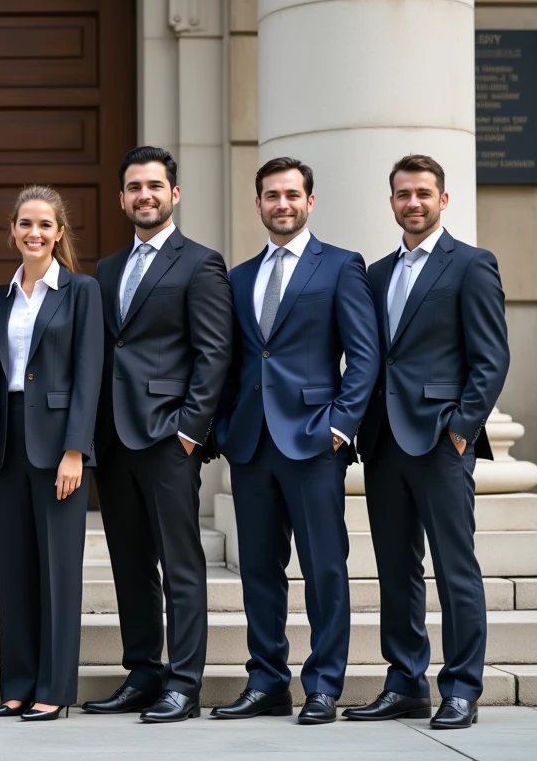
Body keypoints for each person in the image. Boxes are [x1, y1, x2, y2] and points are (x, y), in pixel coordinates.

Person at [212, 157, 379, 725]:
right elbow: (232, 362)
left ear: (309, 202)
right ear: (257, 204)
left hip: (315, 441)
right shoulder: (238, 277)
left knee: (324, 566)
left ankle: (325, 685)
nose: (281, 204)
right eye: (270, 196)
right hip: (252, 443)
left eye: (291, 195)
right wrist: (224, 427)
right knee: (259, 569)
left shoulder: (340, 266)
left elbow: (364, 355)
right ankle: (266, 681)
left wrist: (341, 425)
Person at [344, 154, 509, 730]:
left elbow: (491, 360)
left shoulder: (471, 264)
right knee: (396, 568)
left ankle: (462, 687)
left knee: (454, 567)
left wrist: (462, 429)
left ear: (443, 199)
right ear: (391, 202)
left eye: (422, 193)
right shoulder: (378, 273)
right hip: (385, 442)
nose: (412, 203)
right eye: (402, 194)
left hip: (441, 440)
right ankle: (405, 682)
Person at [84, 146, 233, 723]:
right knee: (129, 562)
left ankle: (184, 682)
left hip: (170, 438)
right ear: (123, 198)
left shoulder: (200, 262)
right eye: (134, 187)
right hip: (116, 440)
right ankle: (143, 672)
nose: (144, 195)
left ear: (174, 194)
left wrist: (190, 432)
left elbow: (214, 352)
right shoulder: (107, 269)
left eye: (154, 185)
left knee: (180, 563)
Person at [0, 186, 103, 721]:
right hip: (7, 446)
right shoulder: (0, 297)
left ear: (59, 232)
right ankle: (17, 684)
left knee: (58, 572)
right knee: (16, 571)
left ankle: (52, 688)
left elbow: (89, 374)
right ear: (12, 231)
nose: (34, 233)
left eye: (45, 225)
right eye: (25, 223)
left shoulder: (81, 291)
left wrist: (76, 449)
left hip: (58, 448)